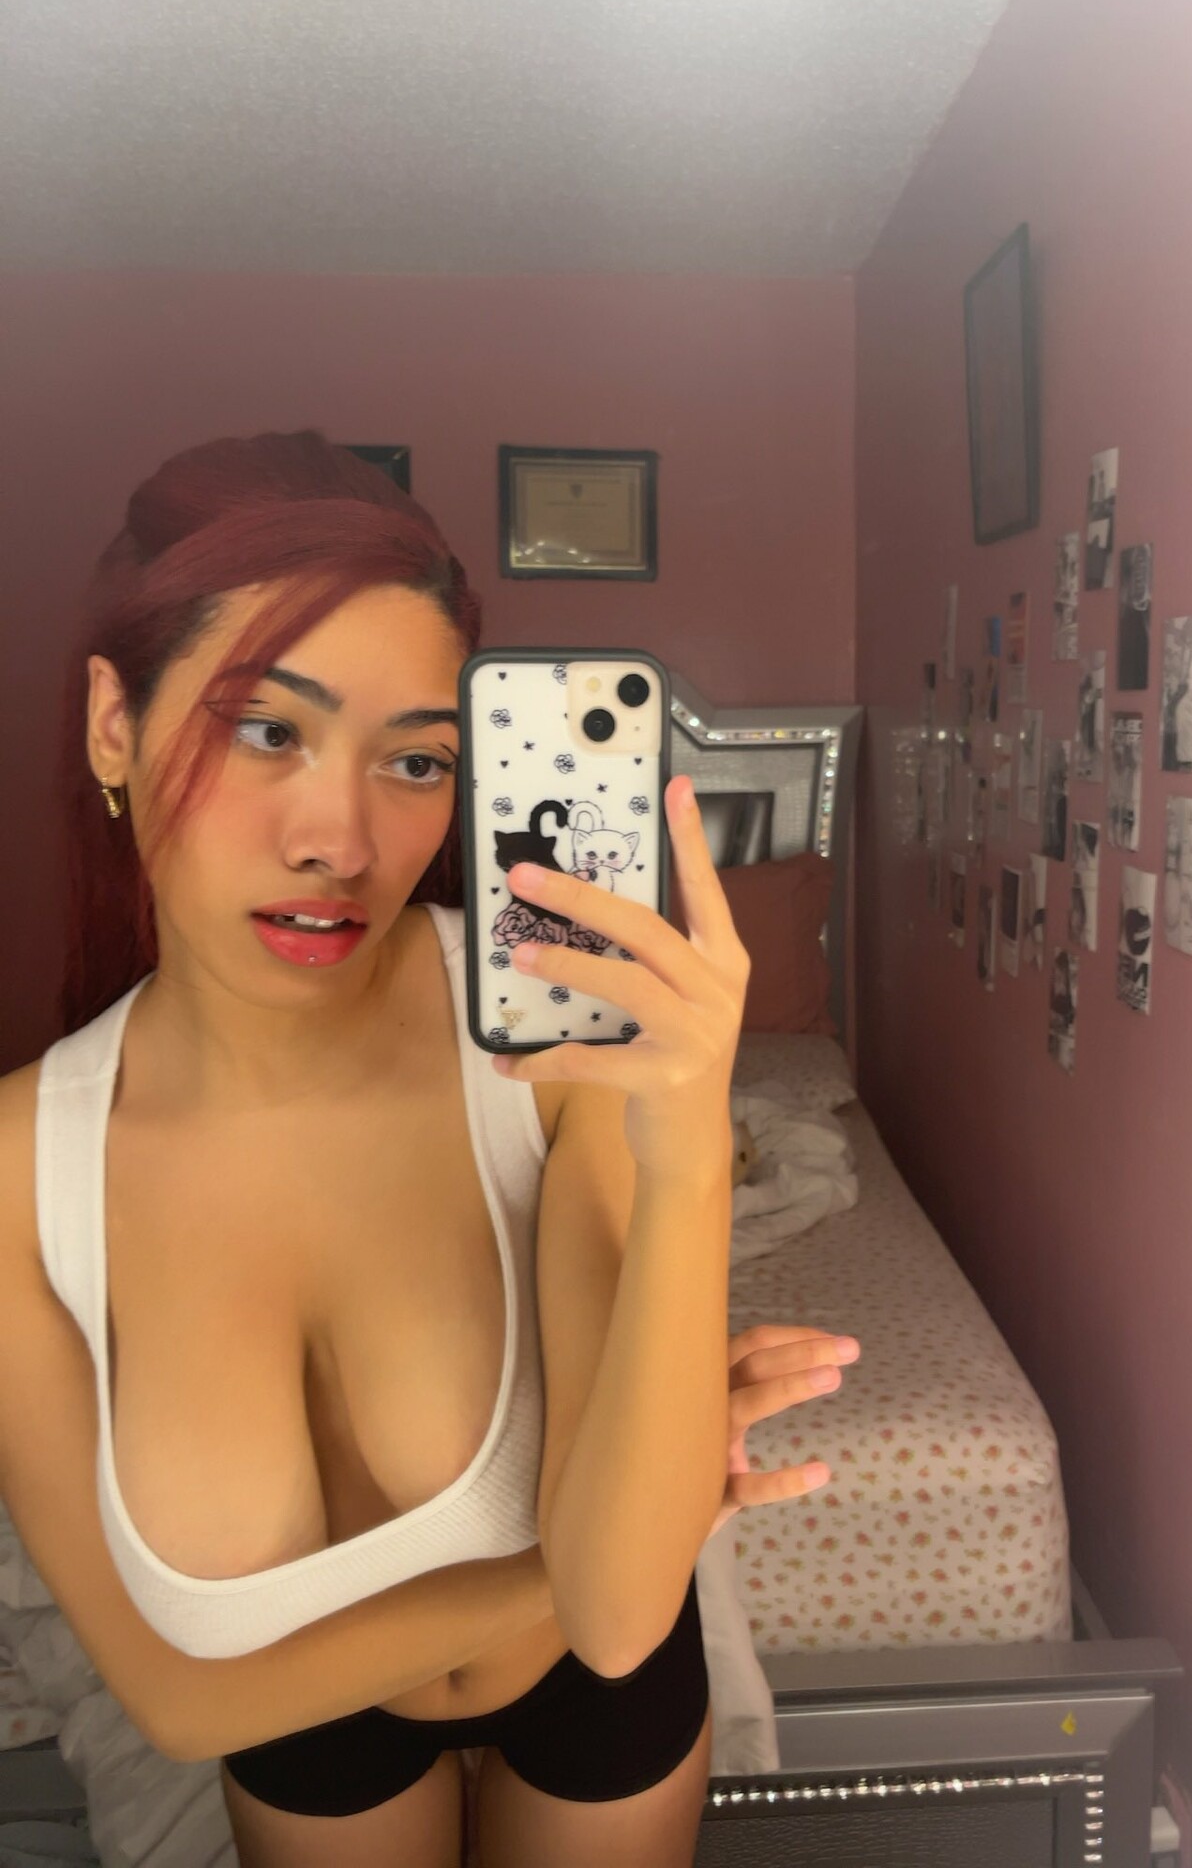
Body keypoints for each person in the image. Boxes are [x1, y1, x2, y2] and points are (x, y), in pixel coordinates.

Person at [0, 431, 861, 1867]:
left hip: (595, 1699)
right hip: (306, 1735)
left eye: (415, 760)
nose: (340, 841)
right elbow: (176, 1701)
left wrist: (688, 1150)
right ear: (111, 724)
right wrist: (634, 1509)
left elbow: (618, 1620)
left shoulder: (550, 1053)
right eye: (267, 730)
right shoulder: (21, 1176)